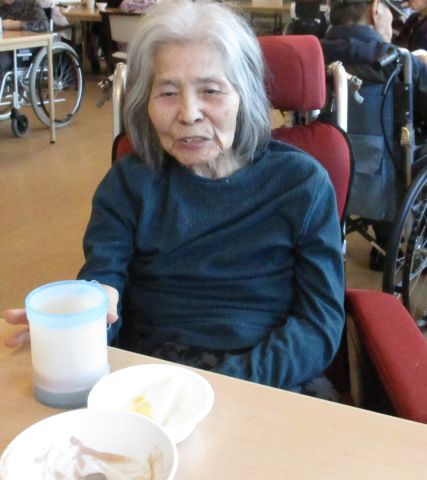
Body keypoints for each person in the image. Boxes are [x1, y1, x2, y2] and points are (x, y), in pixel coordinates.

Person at [4, 0, 345, 400]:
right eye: (167, 92)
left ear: (245, 95)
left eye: (211, 90)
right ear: (143, 102)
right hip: (154, 379)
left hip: (272, 377)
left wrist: (227, 384)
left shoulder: (302, 185)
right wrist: (80, 324)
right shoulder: (128, 185)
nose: (189, 113)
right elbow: (105, 284)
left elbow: (319, 324)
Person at [321, 0, 427, 270]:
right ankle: (387, 244)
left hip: (324, 176)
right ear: (376, 8)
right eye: (392, 13)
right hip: (383, 183)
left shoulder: (313, 55)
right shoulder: (401, 60)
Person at [0, 0, 49, 77]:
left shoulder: (31, 4)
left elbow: (44, 25)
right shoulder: (3, 9)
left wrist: (17, 24)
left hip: (26, 49)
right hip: (6, 46)